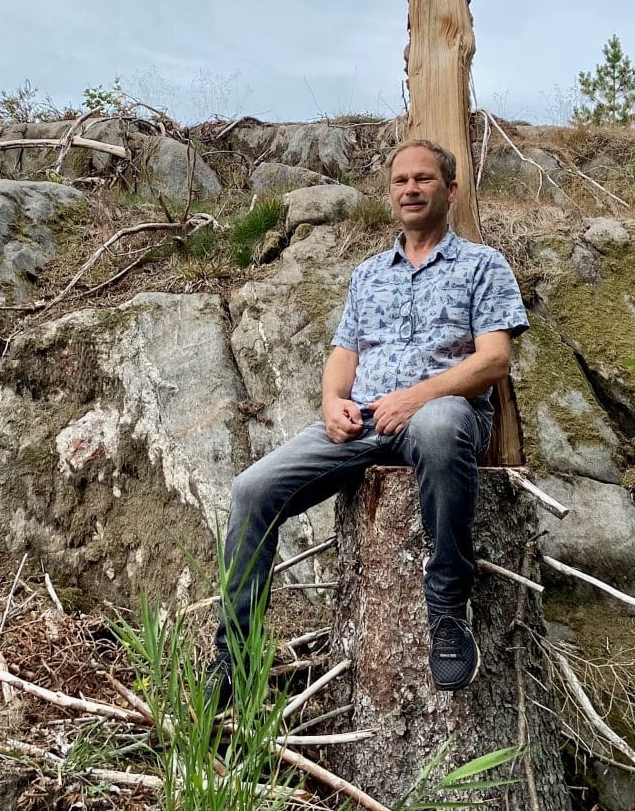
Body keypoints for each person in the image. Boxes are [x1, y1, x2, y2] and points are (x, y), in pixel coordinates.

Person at [213, 137, 529, 696]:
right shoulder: (368, 274)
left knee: (435, 427)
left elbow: (495, 359)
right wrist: (332, 402)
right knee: (251, 489)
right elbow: (344, 355)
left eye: (423, 179)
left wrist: (417, 397)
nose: (410, 189)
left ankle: (449, 608)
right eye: (400, 181)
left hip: (444, 416)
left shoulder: (483, 265)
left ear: (450, 189)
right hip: (361, 422)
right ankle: (234, 661)